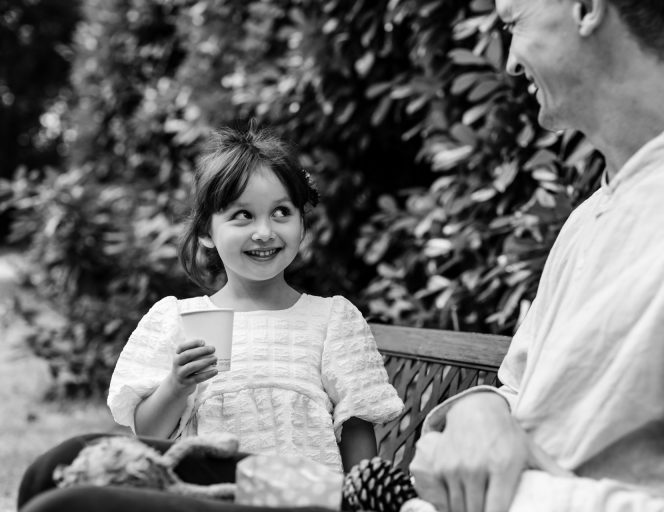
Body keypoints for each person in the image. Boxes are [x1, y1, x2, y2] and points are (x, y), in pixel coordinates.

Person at [409, 1, 664, 512]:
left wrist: (493, 492)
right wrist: (479, 411)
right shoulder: (589, 217)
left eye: (513, 24)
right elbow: (520, 391)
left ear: (585, 9)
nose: (510, 61)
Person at [17, 123, 403, 511]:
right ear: (206, 231)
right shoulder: (178, 319)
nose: (264, 231)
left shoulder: (331, 319)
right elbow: (148, 433)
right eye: (243, 215)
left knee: (61, 503)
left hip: (303, 499)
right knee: (58, 468)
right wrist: (176, 385)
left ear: (302, 223)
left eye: (281, 212)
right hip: (207, 497)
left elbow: (357, 431)